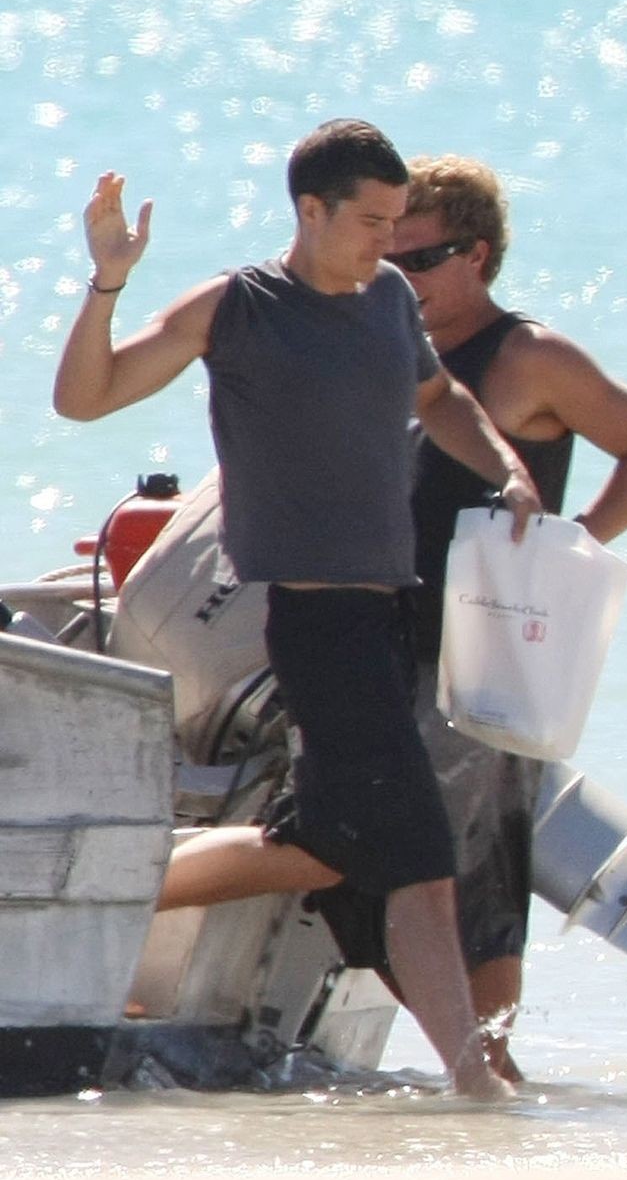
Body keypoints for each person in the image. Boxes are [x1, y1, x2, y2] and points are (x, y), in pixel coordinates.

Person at [52, 119, 541, 1102]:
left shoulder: (389, 300)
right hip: (317, 628)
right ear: (311, 211)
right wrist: (107, 284)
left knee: (324, 848)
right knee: (420, 858)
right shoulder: (239, 307)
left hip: (384, 617)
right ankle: (476, 1085)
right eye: (372, 222)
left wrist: (507, 466)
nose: (388, 243)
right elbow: (85, 398)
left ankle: (82, 893)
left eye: (399, 224)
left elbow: (440, 398)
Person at [305, 153, 627, 1082]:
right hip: (385, 633)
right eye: (386, 259)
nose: (399, 279)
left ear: (477, 255)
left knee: (464, 865)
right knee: (409, 866)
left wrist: (566, 550)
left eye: (421, 260)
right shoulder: (390, 343)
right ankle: (486, 1069)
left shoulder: (529, 356)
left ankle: (488, 1065)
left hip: (482, 650)